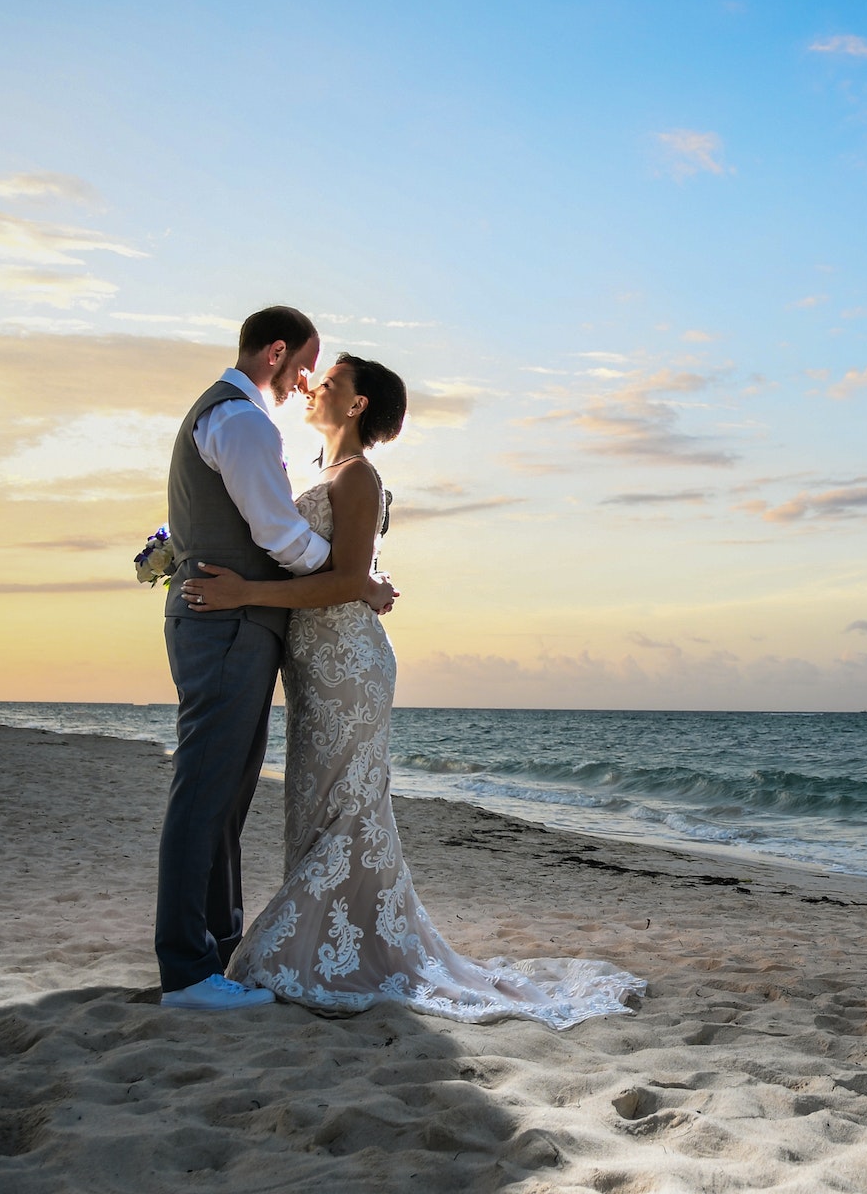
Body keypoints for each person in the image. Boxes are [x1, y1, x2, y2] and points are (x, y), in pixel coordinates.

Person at [180, 354, 644, 1027]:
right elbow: (343, 564)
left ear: (359, 404)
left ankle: (320, 952)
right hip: (314, 662)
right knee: (317, 803)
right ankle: (335, 941)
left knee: (346, 805)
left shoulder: (360, 475)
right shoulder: (322, 473)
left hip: (350, 666)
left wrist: (246, 594)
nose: (314, 388)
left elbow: (343, 580)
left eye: (330, 382)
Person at [157, 306, 398, 1012]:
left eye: (321, 375)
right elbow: (277, 533)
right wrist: (356, 580)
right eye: (303, 367)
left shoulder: (243, 421)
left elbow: (260, 528)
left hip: (280, 635)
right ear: (276, 351)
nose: (306, 382)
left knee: (226, 797)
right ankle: (188, 971)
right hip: (236, 626)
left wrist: (354, 581)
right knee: (208, 793)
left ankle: (213, 955)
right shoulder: (241, 419)